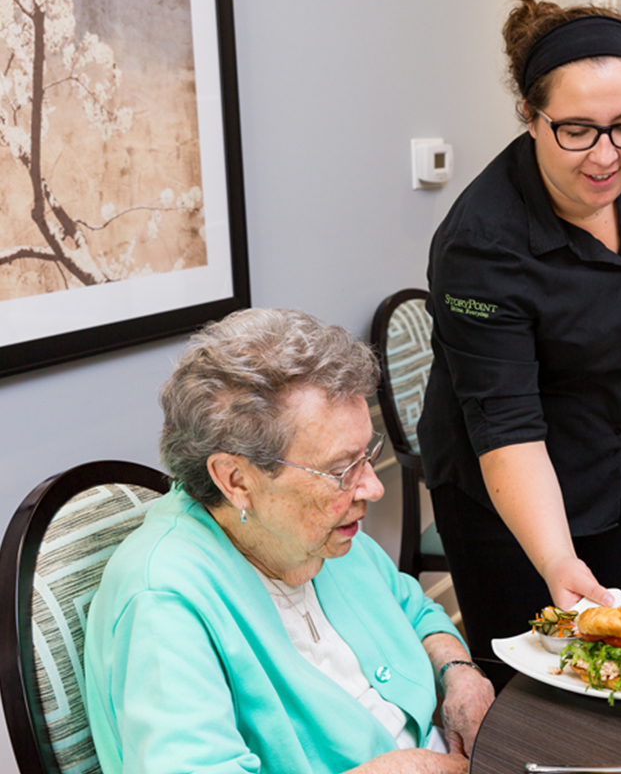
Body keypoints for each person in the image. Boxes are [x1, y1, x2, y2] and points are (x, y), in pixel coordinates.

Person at [84, 308, 494, 774]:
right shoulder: (164, 602)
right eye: (342, 469)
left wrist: (457, 672)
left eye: (367, 456)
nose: (372, 488)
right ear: (236, 479)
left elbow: (412, 610)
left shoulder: (317, 530)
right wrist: (402, 770)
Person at [418, 0, 621, 682]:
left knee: (605, 659)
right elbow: (506, 428)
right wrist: (557, 560)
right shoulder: (483, 247)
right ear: (530, 119)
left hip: (606, 449)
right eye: (576, 130)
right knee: (528, 682)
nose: (606, 157)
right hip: (504, 494)